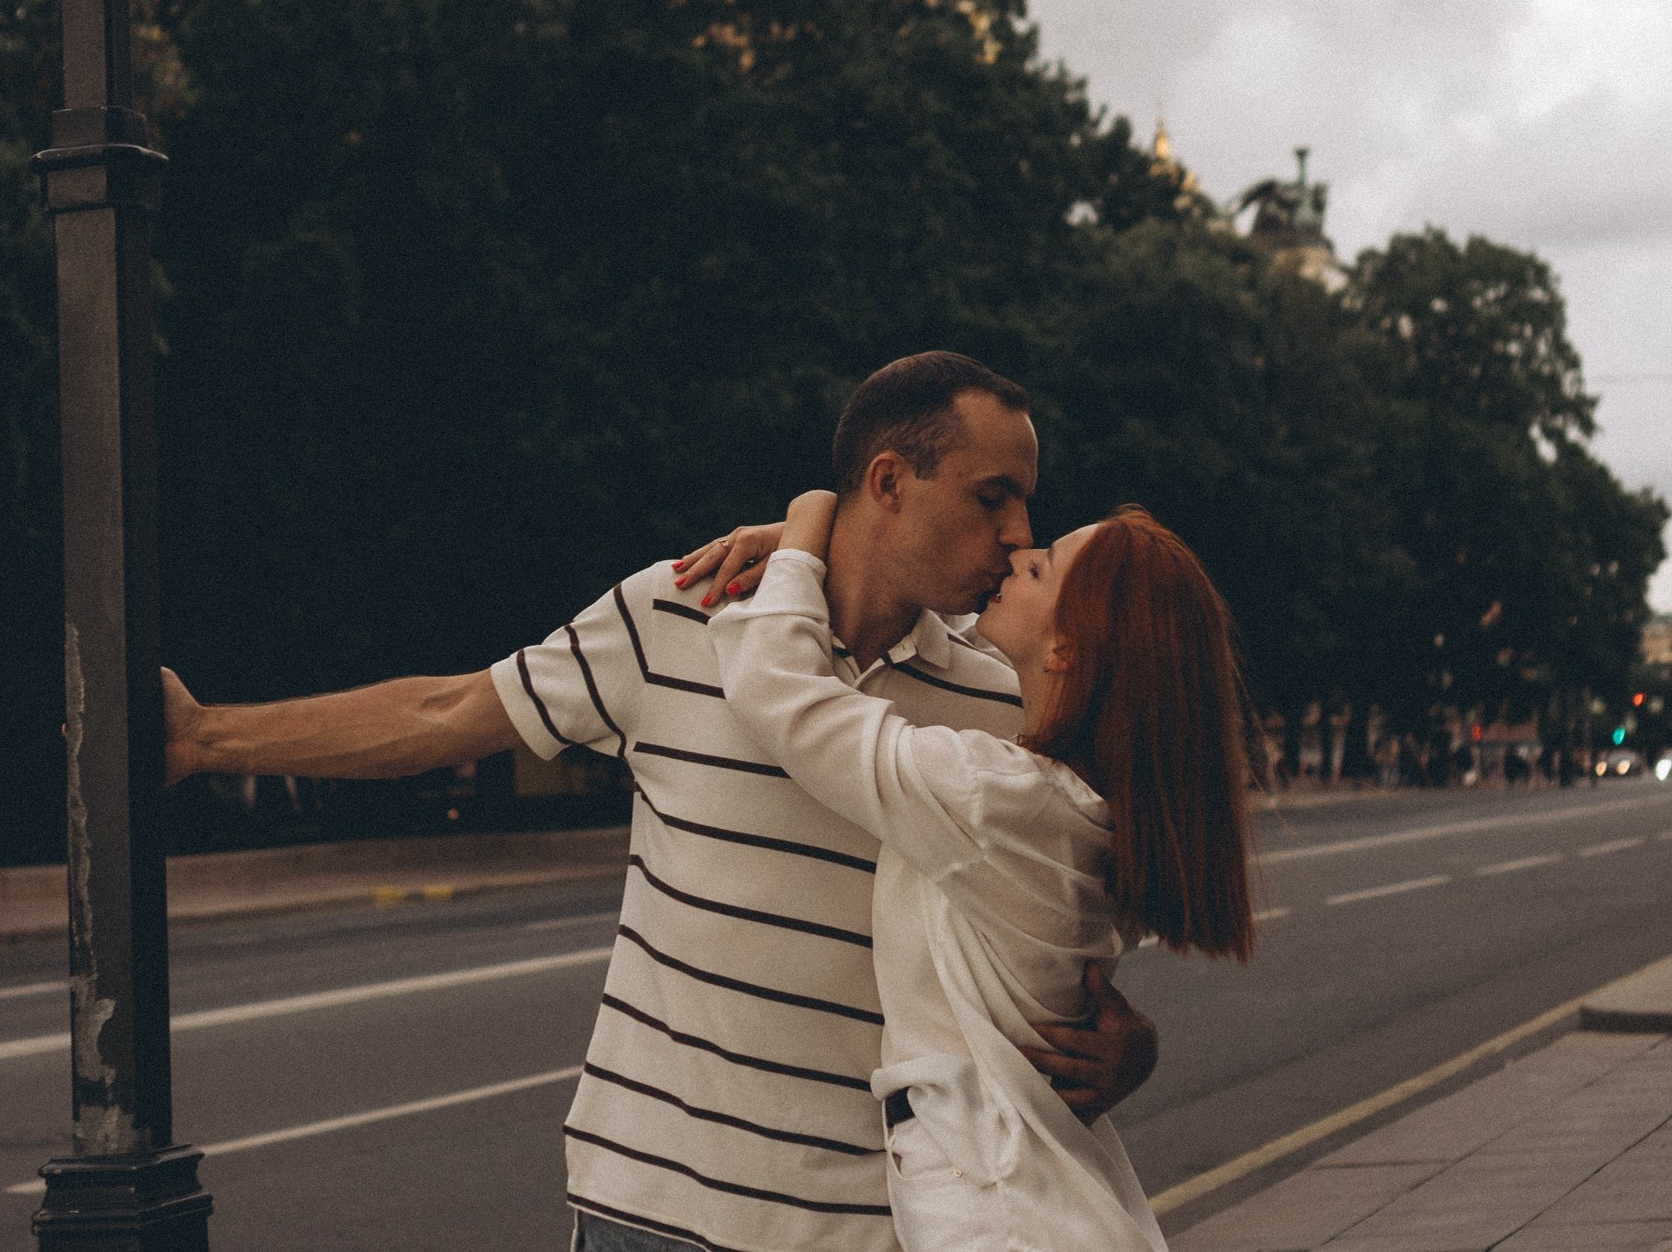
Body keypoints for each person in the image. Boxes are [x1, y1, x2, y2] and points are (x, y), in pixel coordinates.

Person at [161, 352, 1158, 1252]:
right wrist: (207, 738)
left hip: (865, 1221)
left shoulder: (1003, 695)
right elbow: (445, 713)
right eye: (994, 497)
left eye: (1025, 503)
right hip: (650, 1208)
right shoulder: (680, 610)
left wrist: (1130, 1040)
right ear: (890, 483)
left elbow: (1065, 902)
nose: (1019, 531)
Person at [706, 491, 1255, 1250]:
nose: (1018, 554)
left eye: (1044, 565)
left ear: (1067, 647)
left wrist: (808, 523)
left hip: (994, 1212)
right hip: (1023, 1191)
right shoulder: (1089, 807)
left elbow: (782, 696)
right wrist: (854, 547)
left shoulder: (997, 797)